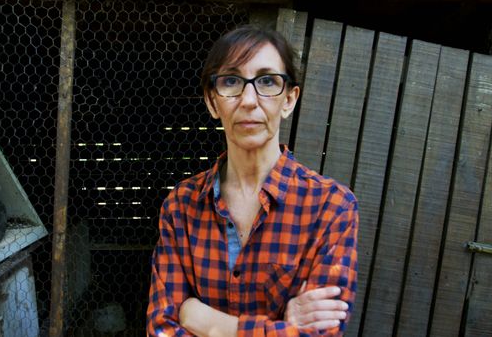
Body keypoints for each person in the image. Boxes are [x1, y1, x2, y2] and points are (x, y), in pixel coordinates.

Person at [147, 25, 358, 336]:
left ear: (289, 99)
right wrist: (282, 326)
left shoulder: (332, 207)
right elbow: (162, 328)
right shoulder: (182, 206)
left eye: (267, 81)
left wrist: (204, 320)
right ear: (211, 100)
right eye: (231, 81)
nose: (248, 99)